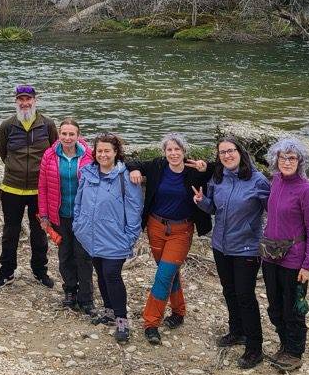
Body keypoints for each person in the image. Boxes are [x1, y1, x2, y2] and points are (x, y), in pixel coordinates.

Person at [126, 133, 212, 345]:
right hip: (155, 227)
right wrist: (135, 170)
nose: (173, 153)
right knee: (169, 272)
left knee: (164, 275)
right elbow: (132, 162)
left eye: (177, 149)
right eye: (169, 150)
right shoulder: (157, 166)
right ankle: (179, 312)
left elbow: (218, 170)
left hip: (181, 230)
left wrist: (206, 167)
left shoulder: (194, 170)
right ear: (164, 152)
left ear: (184, 151)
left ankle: (151, 323)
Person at [194, 136, 271, 368]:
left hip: (247, 247)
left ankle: (254, 348)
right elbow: (213, 208)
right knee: (229, 291)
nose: (227, 155)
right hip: (220, 246)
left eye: (231, 151)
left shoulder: (258, 180)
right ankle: (237, 331)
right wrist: (201, 201)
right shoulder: (218, 178)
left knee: (245, 296)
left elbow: (273, 211)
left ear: (240, 152)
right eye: (222, 152)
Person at [73, 134, 143, 343]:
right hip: (90, 236)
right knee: (101, 274)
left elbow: (135, 209)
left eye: (107, 151)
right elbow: (79, 201)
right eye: (99, 151)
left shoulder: (126, 176)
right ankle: (109, 311)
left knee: (112, 275)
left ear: (116, 152)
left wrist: (130, 237)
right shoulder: (87, 173)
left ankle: (122, 321)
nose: (103, 155)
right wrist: (78, 225)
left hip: (116, 238)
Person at [261, 137, 309, 372]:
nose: (287, 162)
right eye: (282, 157)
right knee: (274, 306)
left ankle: (295, 353)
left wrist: (308, 264)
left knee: (293, 309)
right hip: (270, 255)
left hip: (294, 260)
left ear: (300, 161)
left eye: (292, 158)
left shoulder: (307, 190)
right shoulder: (275, 181)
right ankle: (284, 345)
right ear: (275, 159)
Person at [0, 84, 59, 290]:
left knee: (39, 232)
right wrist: (16, 168)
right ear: (16, 102)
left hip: (40, 190)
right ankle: (7, 271)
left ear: (35, 101)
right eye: (20, 99)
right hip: (12, 188)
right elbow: (3, 152)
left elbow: (54, 152)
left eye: (28, 99)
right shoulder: (7, 125)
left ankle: (40, 271)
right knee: (10, 232)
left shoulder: (48, 125)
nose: (24, 103)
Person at [36, 118, 95, 312]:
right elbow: (43, 187)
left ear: (78, 136)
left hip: (83, 216)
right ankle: (70, 291)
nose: (67, 137)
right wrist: (44, 216)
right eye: (64, 133)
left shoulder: (89, 156)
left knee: (84, 256)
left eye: (71, 134)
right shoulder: (49, 155)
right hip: (59, 215)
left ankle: (86, 297)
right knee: (65, 255)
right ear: (59, 134)